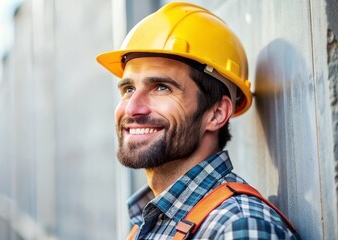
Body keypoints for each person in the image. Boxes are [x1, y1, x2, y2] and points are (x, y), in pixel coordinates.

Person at [96, 2, 301, 239]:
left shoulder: (237, 226)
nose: (132, 107)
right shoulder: (150, 218)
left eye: (161, 87)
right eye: (129, 89)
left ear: (216, 114)